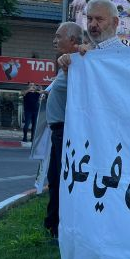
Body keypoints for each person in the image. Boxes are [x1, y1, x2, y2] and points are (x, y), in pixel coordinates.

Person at [44, 21, 84, 239]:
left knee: (60, 179)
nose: (55, 40)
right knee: (54, 177)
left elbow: (81, 92)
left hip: (65, 132)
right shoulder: (67, 64)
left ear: (73, 40)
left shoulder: (79, 64)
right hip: (58, 131)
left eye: (59, 36)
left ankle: (59, 228)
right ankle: (53, 224)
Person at [57, 0, 124, 72]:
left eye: (99, 19)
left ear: (115, 22)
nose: (92, 24)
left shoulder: (127, 58)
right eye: (89, 18)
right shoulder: (83, 53)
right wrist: (69, 67)